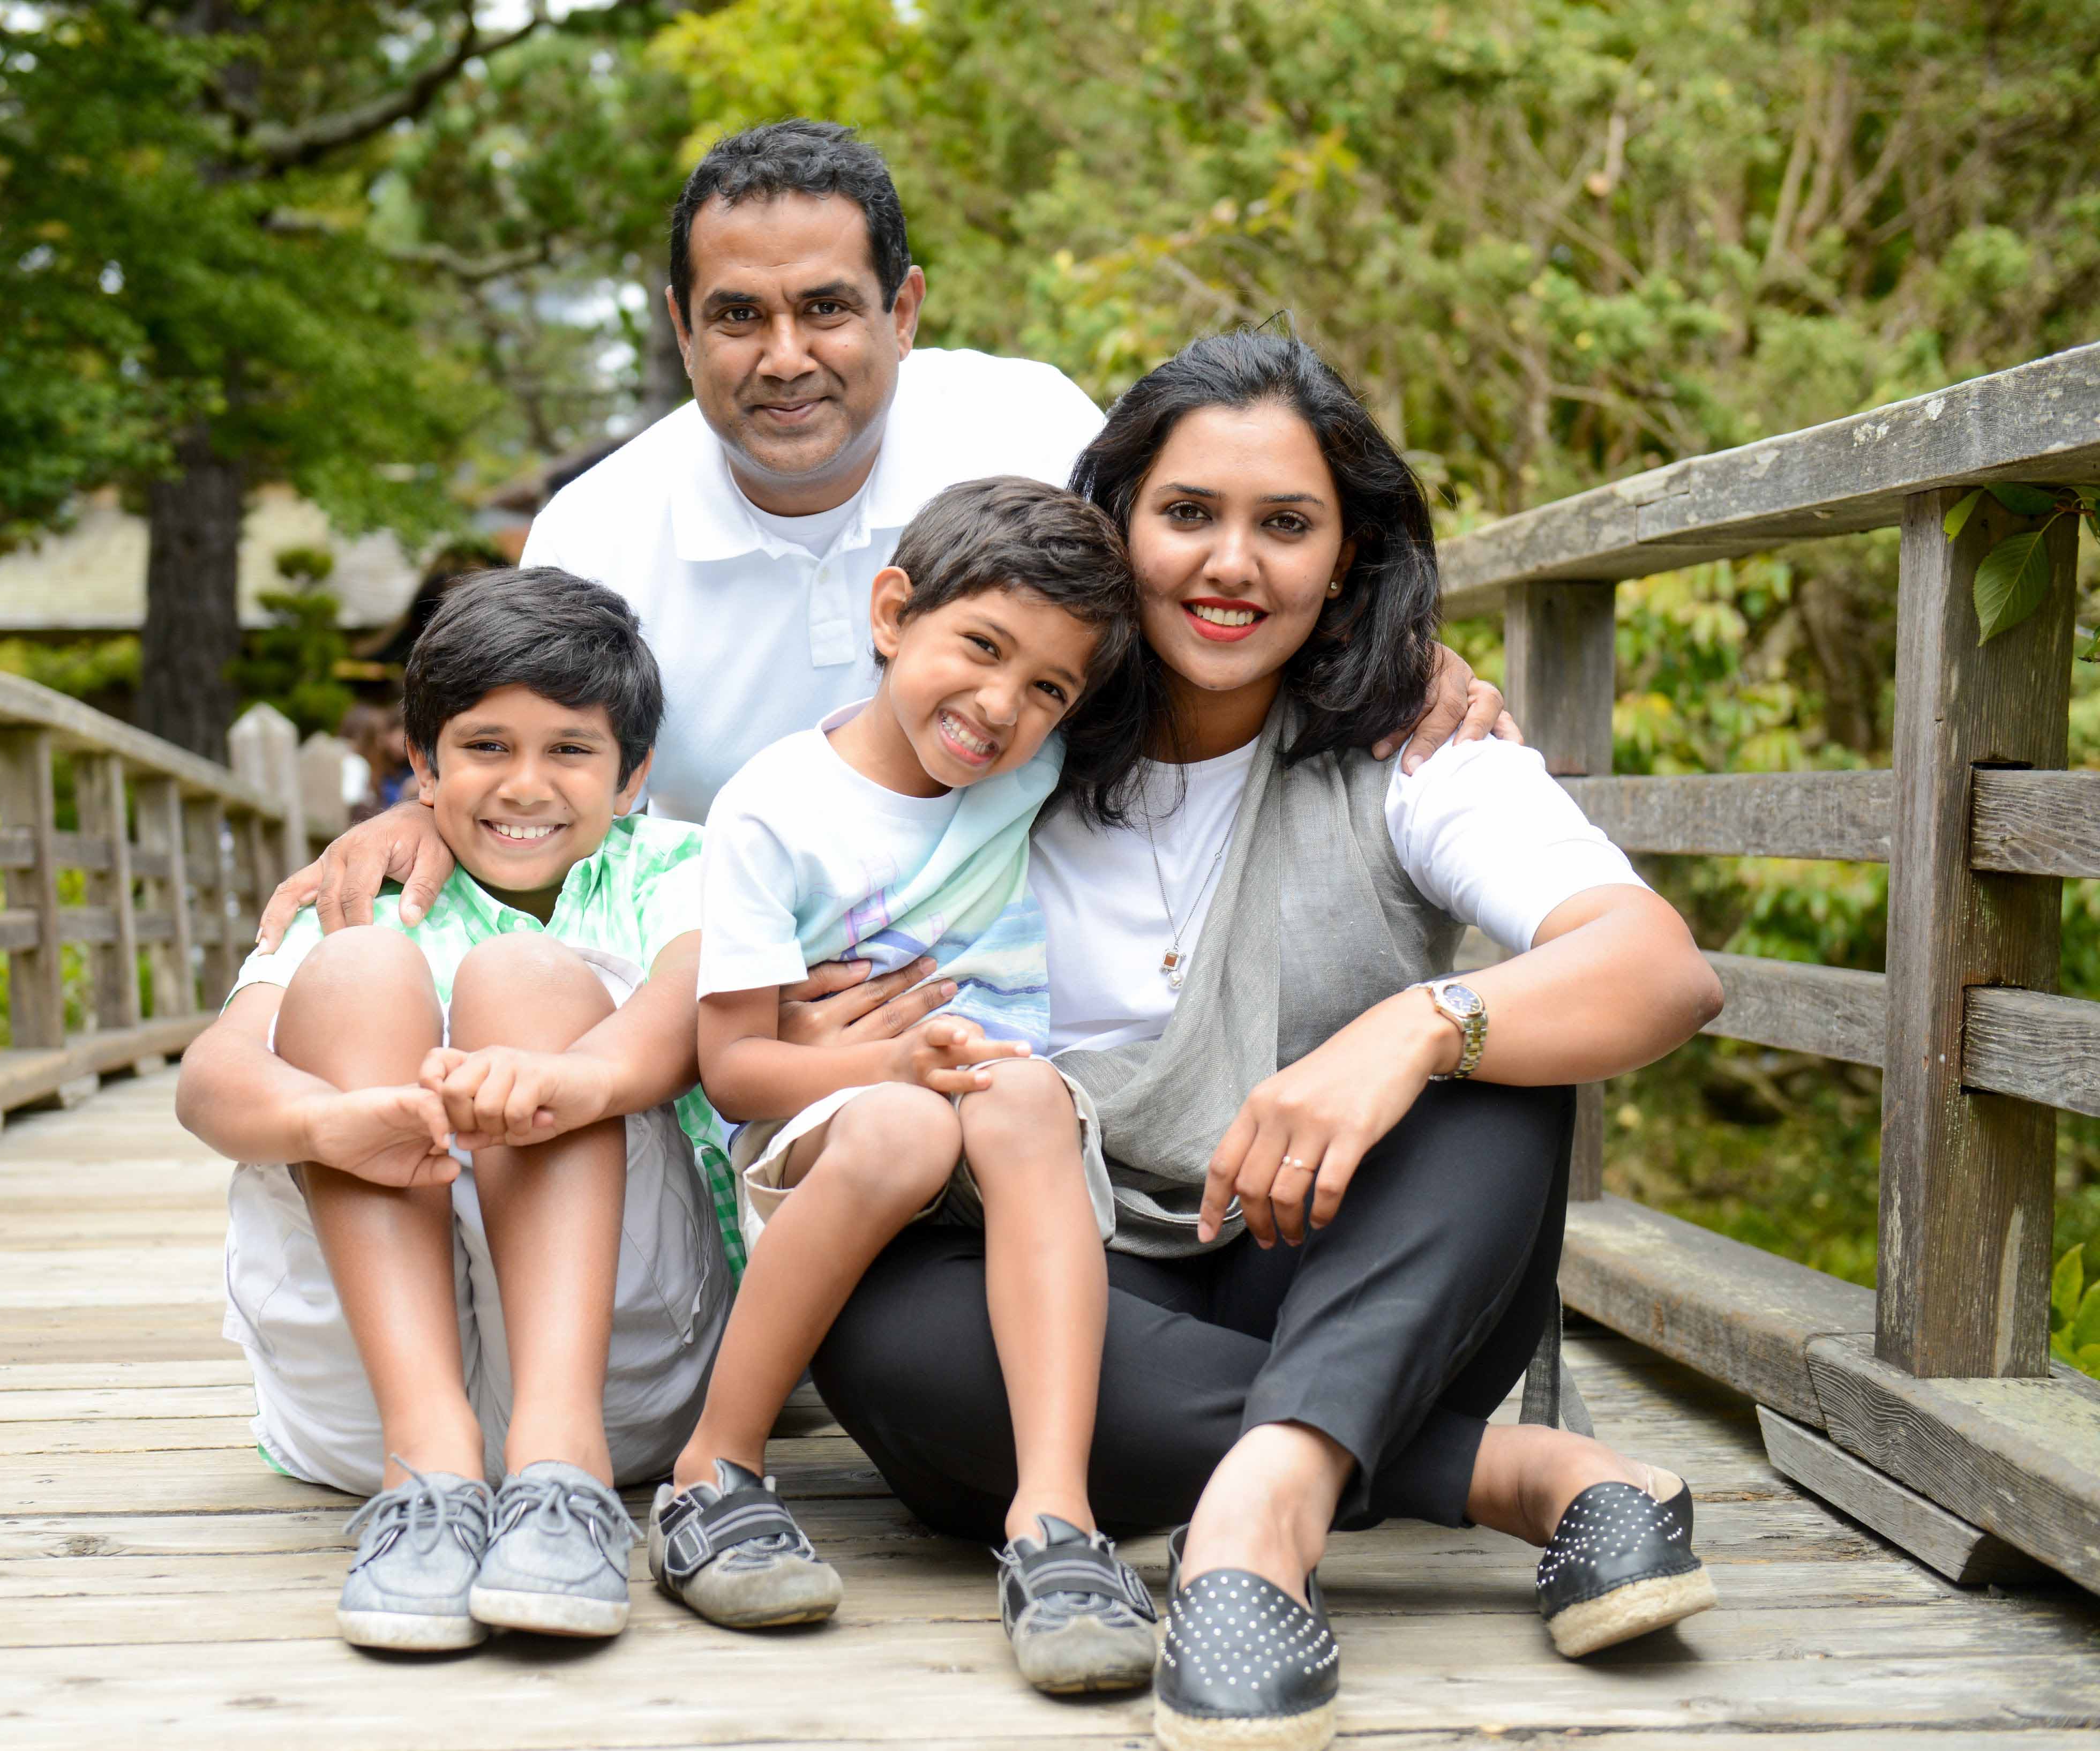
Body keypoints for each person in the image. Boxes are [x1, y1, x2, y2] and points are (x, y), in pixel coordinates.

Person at [799, 331, 1727, 1751]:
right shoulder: (988, 735)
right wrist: (425, 825)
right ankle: (1523, 1475)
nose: (1232, 563)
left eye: (1285, 525)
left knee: (1494, 1068)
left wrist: (1418, 1024)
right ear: (1115, 527)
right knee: (877, 1318)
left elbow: (1660, 967)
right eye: (1189, 515)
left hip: (1325, 1276)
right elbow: (738, 850)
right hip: (1060, 1304)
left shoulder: (1416, 753)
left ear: (1346, 560)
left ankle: (1251, 1527)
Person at [256, 119, 1506, 948]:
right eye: (738, 314)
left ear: (903, 310)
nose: (785, 358)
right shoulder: (595, 528)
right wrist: (433, 812)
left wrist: (1381, 658)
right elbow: (531, 756)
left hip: (1022, 953)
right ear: (682, 327)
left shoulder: (1032, 426)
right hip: (718, 979)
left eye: (828, 309)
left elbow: (1212, 592)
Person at [649, 477, 1159, 1694]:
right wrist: (884, 1062)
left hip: (988, 1107)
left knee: (1030, 1096)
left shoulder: (1026, 770)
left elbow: (1255, 671)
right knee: (897, 1130)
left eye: (1049, 688)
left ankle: (1054, 1520)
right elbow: (733, 1066)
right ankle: (712, 1470)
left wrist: (1433, 671)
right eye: (980, 647)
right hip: (836, 1119)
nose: (1000, 707)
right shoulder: (775, 809)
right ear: (892, 611)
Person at [174, 568, 734, 1653]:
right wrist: (325, 1122)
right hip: (362, 1402)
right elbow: (211, 1078)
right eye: (486, 747)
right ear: (421, 768)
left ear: (633, 777)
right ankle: (427, 1469)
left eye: (570, 749)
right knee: (355, 973)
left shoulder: (678, 865)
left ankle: (559, 1474)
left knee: (526, 975)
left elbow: (684, 1005)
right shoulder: (361, 894)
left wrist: (567, 1080)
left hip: (617, 1385)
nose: (526, 784)